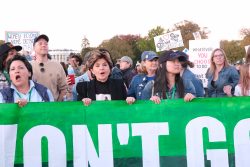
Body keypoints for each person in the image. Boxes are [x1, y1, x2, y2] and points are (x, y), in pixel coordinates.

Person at [30, 34, 67, 101]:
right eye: (40, 43)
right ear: (34, 48)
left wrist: (57, 105)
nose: (43, 45)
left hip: (53, 107)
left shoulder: (57, 65)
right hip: (33, 107)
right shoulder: (28, 66)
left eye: (46, 44)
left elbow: (64, 88)